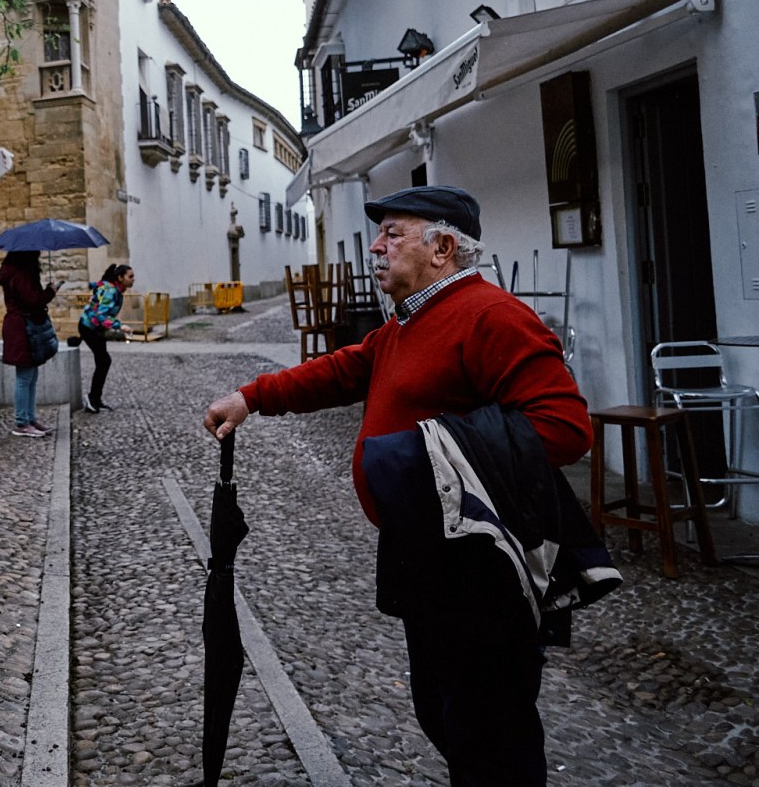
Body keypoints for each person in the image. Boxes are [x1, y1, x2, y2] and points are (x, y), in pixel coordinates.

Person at [202, 185, 592, 787]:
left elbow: (563, 426)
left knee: (490, 727)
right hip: (425, 549)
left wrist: (430, 454)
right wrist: (252, 398)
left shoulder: (491, 316)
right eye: (379, 236)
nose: (377, 248)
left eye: (393, 235)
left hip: (476, 565)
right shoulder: (412, 321)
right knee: (443, 711)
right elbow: (348, 368)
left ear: (442, 247)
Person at [0, 249, 58, 437]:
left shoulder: (16, 272)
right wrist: (50, 291)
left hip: (23, 326)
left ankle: (29, 418)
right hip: (23, 328)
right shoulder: (21, 274)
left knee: (31, 375)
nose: (39, 255)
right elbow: (32, 300)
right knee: (25, 377)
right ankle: (22, 422)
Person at [78, 262, 133, 413]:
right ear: (121, 278)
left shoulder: (116, 290)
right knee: (104, 361)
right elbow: (102, 315)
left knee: (102, 361)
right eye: (130, 276)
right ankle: (91, 398)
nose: (133, 279)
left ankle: (95, 398)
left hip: (96, 329)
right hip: (88, 327)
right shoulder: (111, 291)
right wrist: (119, 326)